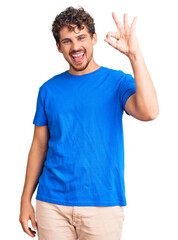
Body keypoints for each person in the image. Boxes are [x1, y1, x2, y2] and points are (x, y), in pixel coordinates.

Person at [19, 6, 159, 240]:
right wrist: (25, 200)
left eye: (81, 37)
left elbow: (150, 111)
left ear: (94, 38)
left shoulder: (117, 82)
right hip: (52, 204)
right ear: (58, 47)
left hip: (102, 204)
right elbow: (39, 146)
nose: (75, 47)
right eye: (67, 41)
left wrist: (134, 55)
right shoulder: (48, 90)